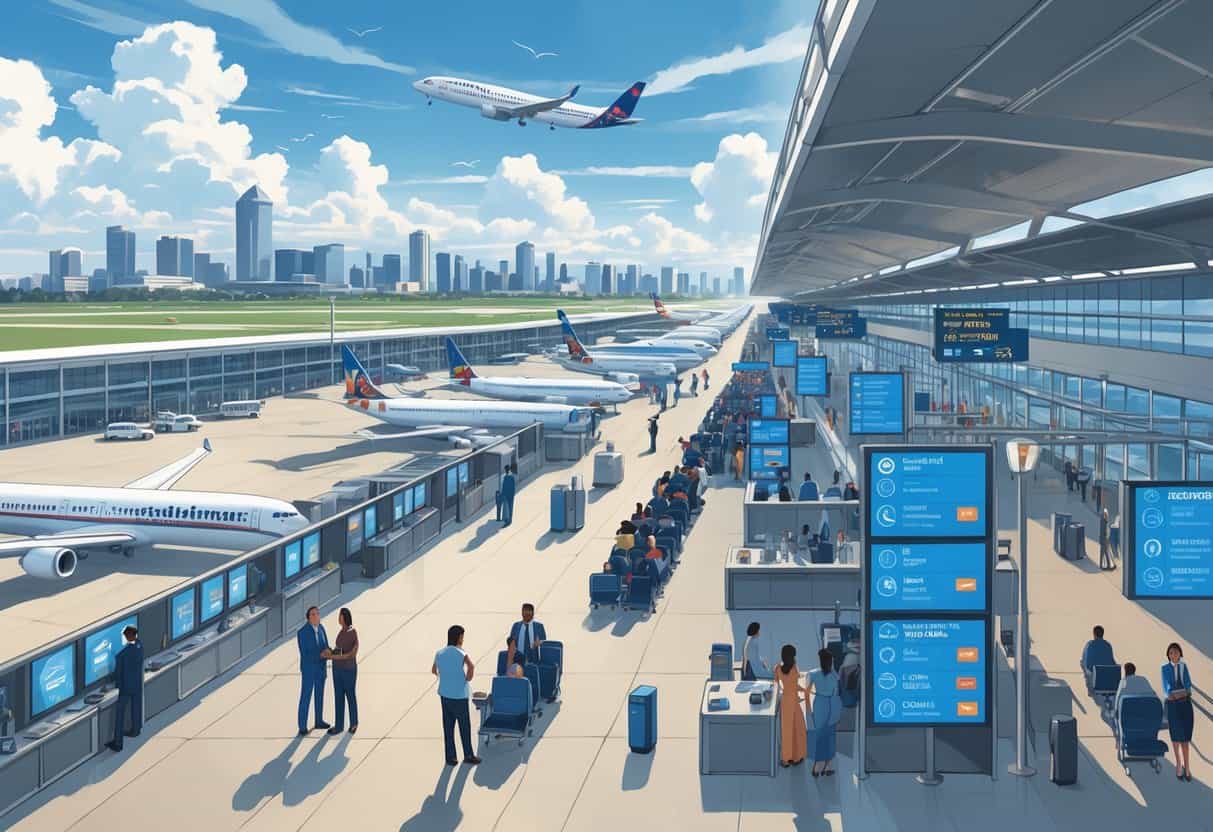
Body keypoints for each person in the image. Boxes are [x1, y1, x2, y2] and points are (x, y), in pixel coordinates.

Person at [432, 625, 480, 766]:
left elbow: (434, 670)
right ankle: (468, 755)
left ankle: (450, 757)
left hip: (445, 695)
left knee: (448, 727)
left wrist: (445, 676)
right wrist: (467, 678)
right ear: (459, 637)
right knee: (464, 726)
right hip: (459, 696)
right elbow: (471, 666)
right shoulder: (461, 653)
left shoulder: (439, 653)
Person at [105, 625, 144, 752]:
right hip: (137, 684)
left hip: (126, 688)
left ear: (129, 636)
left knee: (120, 714)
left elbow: (117, 674)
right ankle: (135, 730)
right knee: (136, 707)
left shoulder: (122, 655)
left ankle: (118, 743)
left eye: (126, 635)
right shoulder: (140, 646)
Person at [1161, 642, 1193, 781]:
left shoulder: (1183, 667)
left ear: (1180, 653)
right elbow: (1166, 684)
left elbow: (1187, 682)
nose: (1174, 654)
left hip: (1185, 704)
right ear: (1168, 655)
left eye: (1176, 651)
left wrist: (1185, 692)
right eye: (1171, 652)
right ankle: (1179, 763)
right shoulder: (1164, 668)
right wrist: (1172, 693)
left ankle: (1187, 766)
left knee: (1185, 738)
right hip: (1173, 704)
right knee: (1175, 738)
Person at [807, 648, 842, 776]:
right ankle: (828, 765)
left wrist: (809, 709)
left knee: (820, 734)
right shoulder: (835, 675)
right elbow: (837, 693)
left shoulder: (813, 674)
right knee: (830, 735)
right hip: (832, 704)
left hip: (819, 703)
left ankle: (818, 765)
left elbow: (807, 691)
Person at [296, 606, 331, 735]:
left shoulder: (321, 628)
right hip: (309, 670)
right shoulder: (302, 633)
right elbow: (305, 654)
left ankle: (319, 720)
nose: (316, 616)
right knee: (306, 696)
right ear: (308, 617)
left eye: (317, 614)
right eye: (313, 614)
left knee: (319, 695)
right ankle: (302, 726)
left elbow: (325, 645)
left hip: (321, 669)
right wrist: (320, 655)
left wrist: (328, 651)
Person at [326, 607, 359, 735]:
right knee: (338, 697)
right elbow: (340, 650)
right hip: (337, 669)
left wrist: (333, 656)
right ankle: (339, 726)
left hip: (348, 670)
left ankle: (354, 723)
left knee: (350, 695)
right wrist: (330, 652)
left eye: (340, 616)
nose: (339, 618)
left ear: (345, 617)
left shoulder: (352, 632)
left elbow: (351, 654)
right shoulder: (341, 632)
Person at [774, 645, 807, 767]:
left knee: (786, 731)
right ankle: (797, 757)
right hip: (794, 702)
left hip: (785, 702)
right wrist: (805, 690)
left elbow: (777, 686)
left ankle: (785, 759)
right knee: (798, 729)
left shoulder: (777, 668)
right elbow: (795, 686)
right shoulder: (794, 669)